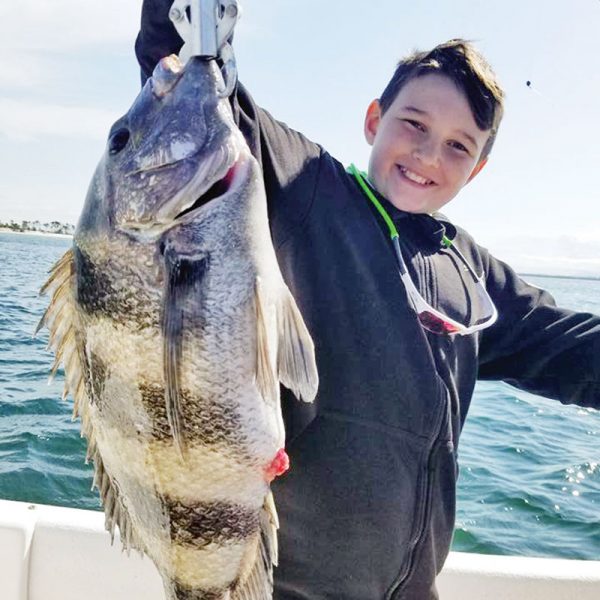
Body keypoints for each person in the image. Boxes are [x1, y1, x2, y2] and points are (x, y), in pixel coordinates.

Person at [135, 3, 600, 598]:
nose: (430, 156)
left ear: (479, 169)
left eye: (459, 146)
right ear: (373, 119)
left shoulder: (471, 270)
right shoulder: (307, 193)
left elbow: (567, 347)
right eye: (413, 124)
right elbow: (189, 94)